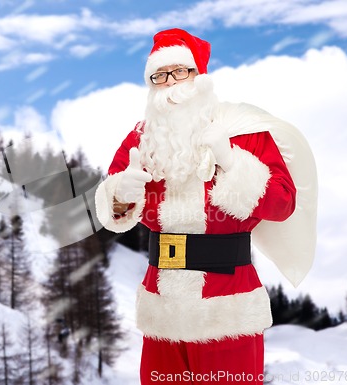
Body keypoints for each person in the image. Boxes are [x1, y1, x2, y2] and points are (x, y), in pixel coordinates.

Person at [95, 28, 317, 384]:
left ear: (200, 75)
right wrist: (121, 192)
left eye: (180, 71)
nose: (171, 83)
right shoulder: (141, 139)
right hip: (161, 308)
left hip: (227, 306)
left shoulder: (243, 130)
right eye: (160, 75)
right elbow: (112, 210)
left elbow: (283, 203)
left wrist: (232, 163)